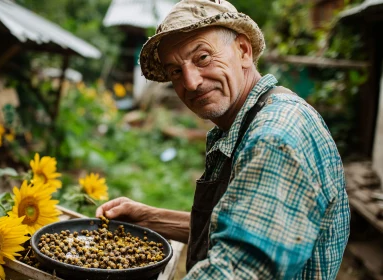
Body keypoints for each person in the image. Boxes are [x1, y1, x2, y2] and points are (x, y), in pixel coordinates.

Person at [96, 0, 350, 279]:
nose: (191, 82)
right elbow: (241, 225)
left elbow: (236, 270)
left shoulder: (275, 136)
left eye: (203, 57)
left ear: (243, 51)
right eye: (175, 71)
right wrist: (150, 218)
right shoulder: (250, 120)